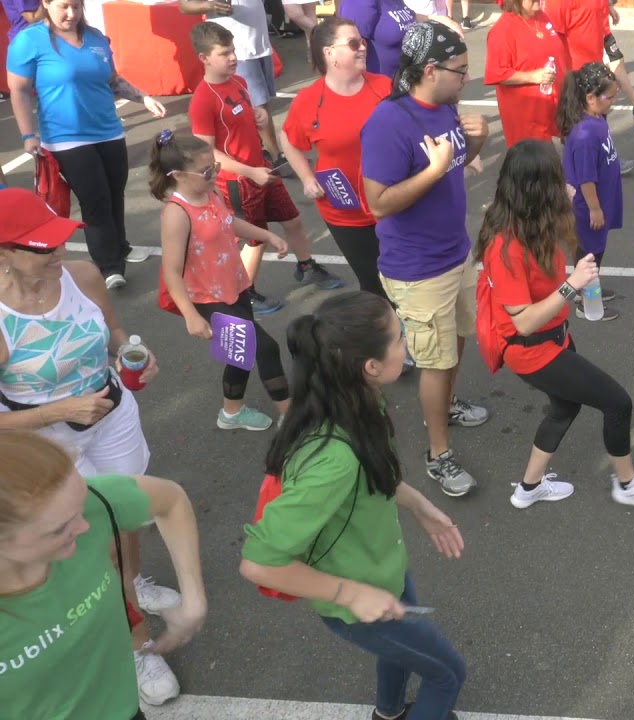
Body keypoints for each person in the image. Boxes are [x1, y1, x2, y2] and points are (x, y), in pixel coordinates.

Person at [240, 291, 468, 720]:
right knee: (447, 675)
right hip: (357, 592)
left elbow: (371, 472)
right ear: (371, 366)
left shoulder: (355, 399)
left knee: (402, 654)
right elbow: (258, 563)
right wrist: (351, 593)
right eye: (400, 338)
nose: (408, 343)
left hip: (384, 568)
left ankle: (388, 713)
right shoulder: (331, 458)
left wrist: (417, 503)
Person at [0, 187, 186, 706]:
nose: (59, 253)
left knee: (126, 519)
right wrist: (60, 411)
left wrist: (133, 352)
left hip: (112, 413)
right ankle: (133, 642)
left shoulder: (80, 277)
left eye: (60, 239)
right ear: (3, 255)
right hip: (44, 442)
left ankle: (131, 582)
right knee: (83, 536)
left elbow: (113, 332)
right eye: (42, 248)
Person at [476, 140, 634, 512]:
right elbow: (522, 322)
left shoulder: (529, 217)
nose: (565, 182)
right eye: (558, 176)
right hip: (532, 348)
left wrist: (567, 199)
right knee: (617, 403)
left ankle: (528, 488)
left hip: (552, 339)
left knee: (564, 408)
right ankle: (628, 484)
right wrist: (574, 284)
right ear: (540, 187)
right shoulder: (506, 246)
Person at [361, 21, 491, 497]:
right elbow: (377, 202)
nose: (466, 79)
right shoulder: (388, 122)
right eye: (460, 70)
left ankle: (448, 403)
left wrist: (477, 141)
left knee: (455, 344)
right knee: (435, 361)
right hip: (418, 268)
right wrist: (434, 171)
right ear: (430, 70)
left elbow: (456, 164)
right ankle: (439, 455)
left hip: (456, 252)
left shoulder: (446, 106)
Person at [0, 431, 207, 720]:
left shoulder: (89, 505)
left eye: (82, 505)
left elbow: (171, 500)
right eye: (59, 529)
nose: (86, 526)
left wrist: (194, 599)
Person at [188, 21, 345, 317]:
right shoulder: (203, 100)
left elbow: (242, 119)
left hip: (261, 170)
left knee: (294, 220)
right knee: (255, 239)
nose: (233, 57)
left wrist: (257, 115)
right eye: (224, 53)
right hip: (239, 179)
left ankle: (306, 266)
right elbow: (205, 151)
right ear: (204, 58)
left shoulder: (239, 83)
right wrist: (249, 172)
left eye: (233, 50)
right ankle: (244, 295)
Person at [5, 0, 166, 288]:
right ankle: (109, 267)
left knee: (114, 195)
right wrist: (28, 135)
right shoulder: (29, 40)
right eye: (64, 6)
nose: (71, 14)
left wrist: (144, 97)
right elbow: (18, 90)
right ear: (46, 3)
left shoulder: (95, 38)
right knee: (95, 201)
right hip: (66, 137)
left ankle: (120, 246)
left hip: (109, 131)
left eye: (77, 7)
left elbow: (112, 81)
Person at [149, 129, 293, 432]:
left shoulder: (209, 193)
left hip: (235, 286)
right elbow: (172, 271)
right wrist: (190, 315)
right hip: (208, 299)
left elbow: (230, 222)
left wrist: (266, 235)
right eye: (205, 171)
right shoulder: (177, 214)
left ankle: (231, 413)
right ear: (178, 175)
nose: (215, 174)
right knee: (264, 348)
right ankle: (292, 417)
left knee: (239, 353)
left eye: (215, 167)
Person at [280, 17, 394, 298]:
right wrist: (307, 178)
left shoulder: (385, 88)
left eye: (362, 42)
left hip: (394, 204)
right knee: (373, 285)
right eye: (353, 43)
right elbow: (289, 139)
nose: (362, 48)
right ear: (329, 53)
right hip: (346, 213)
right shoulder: (308, 100)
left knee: (403, 280)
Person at [178, 0, 290, 174]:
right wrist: (211, 6)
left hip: (258, 42)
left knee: (259, 102)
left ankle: (260, 153)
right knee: (255, 101)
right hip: (237, 45)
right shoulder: (204, 98)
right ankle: (275, 157)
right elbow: (185, 5)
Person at [558, 62, 623, 321]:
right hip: (588, 207)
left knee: (593, 252)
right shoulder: (585, 135)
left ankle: (586, 287)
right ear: (590, 98)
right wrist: (595, 209)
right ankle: (587, 301)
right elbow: (586, 179)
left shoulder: (597, 119)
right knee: (591, 254)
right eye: (609, 96)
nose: (613, 101)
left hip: (600, 201)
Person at [483, 0, 570, 147]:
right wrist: (532, 76)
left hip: (552, 103)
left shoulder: (542, 17)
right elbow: (496, 72)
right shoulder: (503, 29)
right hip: (526, 112)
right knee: (535, 161)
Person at [339, 0, 459, 78]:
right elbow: (347, 49)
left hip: (402, 87)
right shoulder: (360, 3)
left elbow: (410, 16)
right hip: (379, 94)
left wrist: (438, 19)